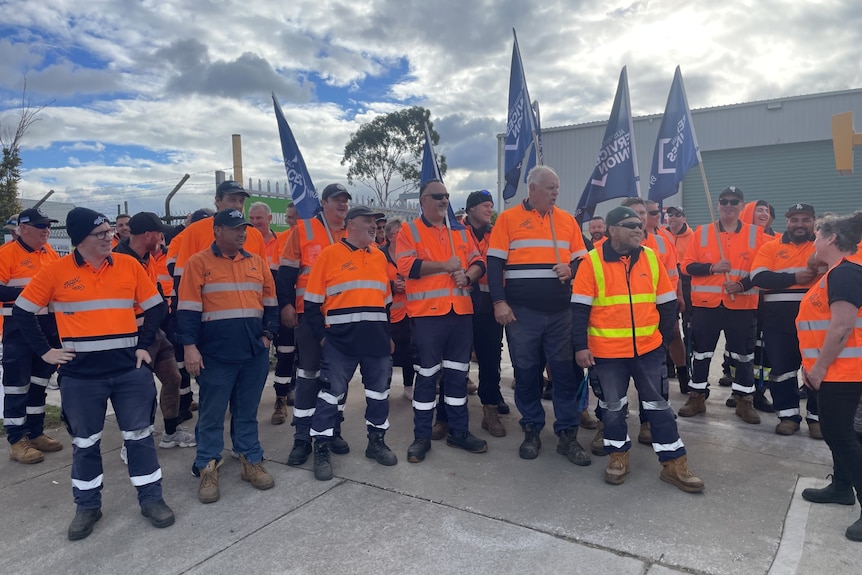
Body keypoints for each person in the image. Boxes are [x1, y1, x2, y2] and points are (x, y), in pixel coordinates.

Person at [14, 207, 174, 540]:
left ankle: (151, 499)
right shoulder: (56, 272)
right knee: (85, 443)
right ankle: (87, 506)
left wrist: (145, 346)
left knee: (140, 439)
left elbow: (156, 306)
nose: (110, 238)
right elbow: (23, 311)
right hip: (81, 378)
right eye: (101, 234)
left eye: (109, 233)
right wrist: (46, 352)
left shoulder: (128, 265)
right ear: (81, 239)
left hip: (129, 372)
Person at [572, 206, 703, 492]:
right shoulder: (590, 262)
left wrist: (663, 341)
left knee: (659, 407)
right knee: (613, 408)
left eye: (639, 226)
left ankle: (673, 464)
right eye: (630, 225)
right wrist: (580, 347)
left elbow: (668, 305)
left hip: (648, 351)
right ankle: (618, 457)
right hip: (607, 354)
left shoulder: (651, 258)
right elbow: (579, 310)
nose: (638, 229)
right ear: (612, 230)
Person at [487, 165, 590, 464]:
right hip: (522, 314)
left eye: (557, 188)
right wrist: (499, 302)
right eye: (550, 188)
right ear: (532, 189)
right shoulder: (508, 220)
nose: (555, 193)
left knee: (564, 374)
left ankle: (567, 434)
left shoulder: (567, 221)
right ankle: (531, 428)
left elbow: (583, 262)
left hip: (561, 313)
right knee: (527, 373)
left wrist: (571, 270)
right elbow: (494, 265)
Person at [178, 209, 279, 503]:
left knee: (247, 412)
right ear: (217, 231)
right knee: (211, 414)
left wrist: (267, 336)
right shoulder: (198, 263)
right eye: (235, 228)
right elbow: (186, 310)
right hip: (216, 355)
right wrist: (190, 346)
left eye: (244, 228)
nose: (242, 233)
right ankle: (207, 466)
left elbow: (271, 303)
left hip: (253, 353)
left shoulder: (257, 263)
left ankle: (251, 459)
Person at [397, 179, 487, 462]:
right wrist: (445, 266)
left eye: (446, 196)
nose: (443, 200)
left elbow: (479, 261)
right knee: (426, 378)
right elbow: (407, 267)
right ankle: (421, 437)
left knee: (458, 378)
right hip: (427, 317)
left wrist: (468, 275)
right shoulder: (408, 232)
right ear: (423, 200)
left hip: (460, 314)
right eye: (437, 196)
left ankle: (459, 432)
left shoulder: (459, 231)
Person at [305, 206, 396, 480]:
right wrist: (324, 337)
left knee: (379, 392)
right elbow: (311, 305)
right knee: (330, 394)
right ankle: (321, 445)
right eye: (368, 221)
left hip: (376, 340)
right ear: (351, 225)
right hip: (340, 342)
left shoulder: (380, 257)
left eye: (375, 222)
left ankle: (376, 441)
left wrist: (388, 335)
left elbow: (386, 303)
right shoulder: (329, 255)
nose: (373, 226)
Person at [796, 211, 862, 542]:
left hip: (842, 372)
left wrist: (818, 369)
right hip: (835, 370)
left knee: (841, 437)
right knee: (841, 436)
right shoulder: (837, 272)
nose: (814, 240)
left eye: (819, 235)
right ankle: (840, 487)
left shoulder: (846, 274)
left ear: (832, 239)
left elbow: (842, 326)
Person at [277, 183, 351, 466]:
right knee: (308, 376)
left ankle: (333, 430)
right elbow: (286, 273)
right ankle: (301, 437)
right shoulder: (304, 230)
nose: (342, 205)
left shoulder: (352, 232)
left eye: (345, 201)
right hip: (309, 314)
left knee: (337, 377)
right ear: (323, 203)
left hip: (343, 317)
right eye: (336, 200)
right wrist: (286, 304)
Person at [679, 186, 767, 424]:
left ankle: (743, 400)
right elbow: (686, 266)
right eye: (724, 202)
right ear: (717, 205)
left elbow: (764, 270)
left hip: (741, 305)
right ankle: (697, 397)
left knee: (744, 356)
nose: (728, 206)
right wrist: (712, 269)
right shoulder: (702, 233)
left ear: (741, 206)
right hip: (707, 307)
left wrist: (742, 285)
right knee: (701, 354)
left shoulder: (756, 235)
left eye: (734, 202)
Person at [113, 212, 194, 450]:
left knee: (173, 378)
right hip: (132, 336)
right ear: (147, 234)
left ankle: (170, 432)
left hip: (154, 332)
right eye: (159, 233)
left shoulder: (148, 257)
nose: (162, 237)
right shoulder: (118, 260)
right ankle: (133, 443)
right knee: (140, 390)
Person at [750, 203, 822, 437]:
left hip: (818, 322)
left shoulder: (824, 244)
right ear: (787, 222)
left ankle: (817, 418)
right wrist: (796, 277)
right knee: (782, 370)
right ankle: (788, 416)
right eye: (795, 220)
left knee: (817, 370)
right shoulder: (770, 247)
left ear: (814, 221)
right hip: (779, 322)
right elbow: (759, 277)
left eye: (805, 219)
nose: (800, 224)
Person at [1, 208, 63, 463]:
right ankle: (17, 439)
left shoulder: (49, 253)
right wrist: (33, 292)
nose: (46, 230)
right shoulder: (6, 254)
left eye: (48, 225)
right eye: (40, 226)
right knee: (17, 385)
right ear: (22, 228)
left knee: (39, 382)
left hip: (47, 327)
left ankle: (36, 432)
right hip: (18, 328)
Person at [464, 190, 508, 437]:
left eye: (491, 205)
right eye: (484, 205)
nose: (490, 209)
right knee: (457, 358)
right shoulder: (456, 233)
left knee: (490, 357)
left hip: (491, 302)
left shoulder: (499, 233)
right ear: (470, 209)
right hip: (462, 303)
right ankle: (451, 407)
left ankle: (490, 407)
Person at [248, 201, 294, 424]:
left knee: (286, 351)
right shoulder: (243, 242)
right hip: (254, 307)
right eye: (252, 218)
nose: (255, 222)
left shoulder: (284, 240)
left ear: (269, 219)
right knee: (255, 354)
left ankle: (281, 400)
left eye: (259, 218)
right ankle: (243, 401)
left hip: (280, 303)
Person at [383, 217, 414, 400]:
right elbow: (375, 281)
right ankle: (384, 387)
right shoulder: (380, 256)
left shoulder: (410, 254)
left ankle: (409, 386)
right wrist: (392, 285)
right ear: (388, 236)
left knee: (410, 352)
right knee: (387, 352)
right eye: (396, 233)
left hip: (410, 312)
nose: (400, 236)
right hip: (389, 314)